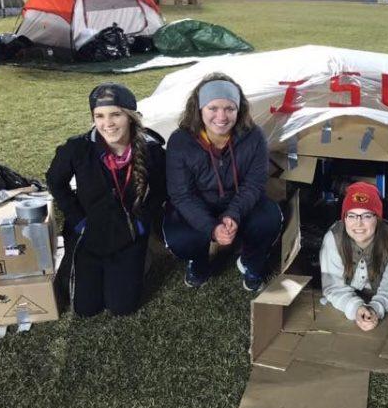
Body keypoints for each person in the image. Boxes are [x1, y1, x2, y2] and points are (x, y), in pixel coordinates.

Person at [47, 83, 166, 317]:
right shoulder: (77, 148)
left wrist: (142, 222)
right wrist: (78, 220)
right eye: (99, 116)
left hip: (129, 233)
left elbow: (162, 189)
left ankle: (143, 258)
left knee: (122, 307)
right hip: (90, 231)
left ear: (130, 116)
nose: (107, 123)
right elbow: (55, 181)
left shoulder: (152, 150)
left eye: (116, 115)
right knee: (85, 308)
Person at [164, 73, 282, 292]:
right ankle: (199, 264)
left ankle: (250, 261)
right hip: (199, 203)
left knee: (269, 219)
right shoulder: (180, 140)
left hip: (238, 201)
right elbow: (182, 195)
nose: (222, 116)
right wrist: (212, 228)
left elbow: (255, 184)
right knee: (180, 238)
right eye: (213, 108)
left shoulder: (253, 136)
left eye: (229, 108)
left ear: (239, 110)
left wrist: (233, 214)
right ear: (199, 109)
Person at [319, 182, 388, 331]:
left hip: (379, 293)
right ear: (344, 218)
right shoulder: (333, 239)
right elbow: (333, 286)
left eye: (367, 216)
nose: (359, 224)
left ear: (378, 218)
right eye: (352, 215)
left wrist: (375, 309)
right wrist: (356, 307)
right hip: (346, 295)